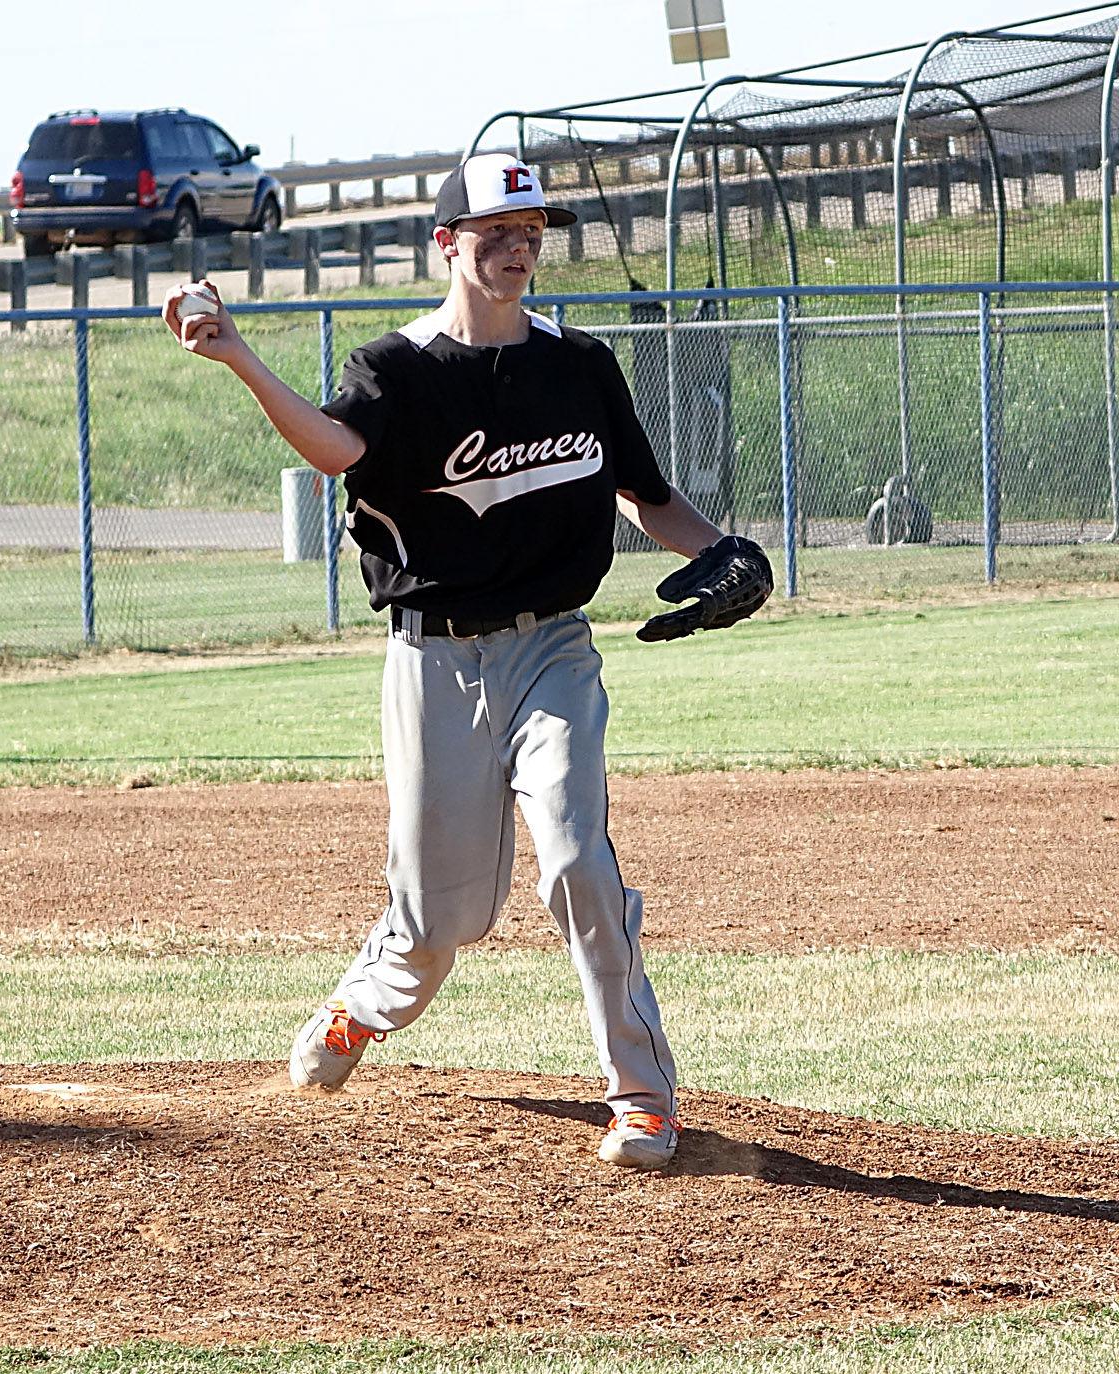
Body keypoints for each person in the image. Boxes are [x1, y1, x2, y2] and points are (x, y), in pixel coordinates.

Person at [163, 152, 726, 1170]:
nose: (517, 250)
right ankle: (360, 1008)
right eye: (495, 234)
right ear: (446, 246)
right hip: (431, 663)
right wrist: (240, 355)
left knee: (576, 861)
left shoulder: (580, 365)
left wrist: (724, 549)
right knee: (438, 921)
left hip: (553, 648)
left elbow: (644, 493)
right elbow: (336, 449)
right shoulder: (399, 370)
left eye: (530, 234)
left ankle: (642, 1097)